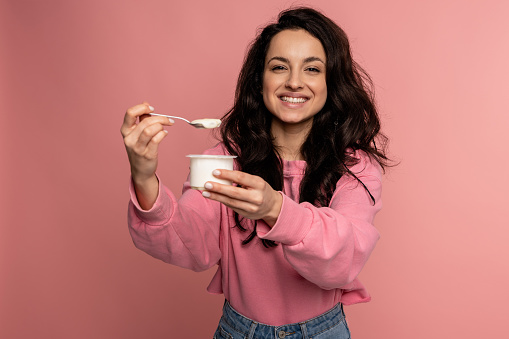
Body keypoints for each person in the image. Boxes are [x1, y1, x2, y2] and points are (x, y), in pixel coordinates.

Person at [121, 7, 390, 339]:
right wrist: (144, 177)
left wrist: (274, 209)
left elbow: (343, 258)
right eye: (279, 67)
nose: (294, 81)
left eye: (312, 68)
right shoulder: (224, 160)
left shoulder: (354, 166)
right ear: (259, 80)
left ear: (331, 81)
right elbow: (190, 243)